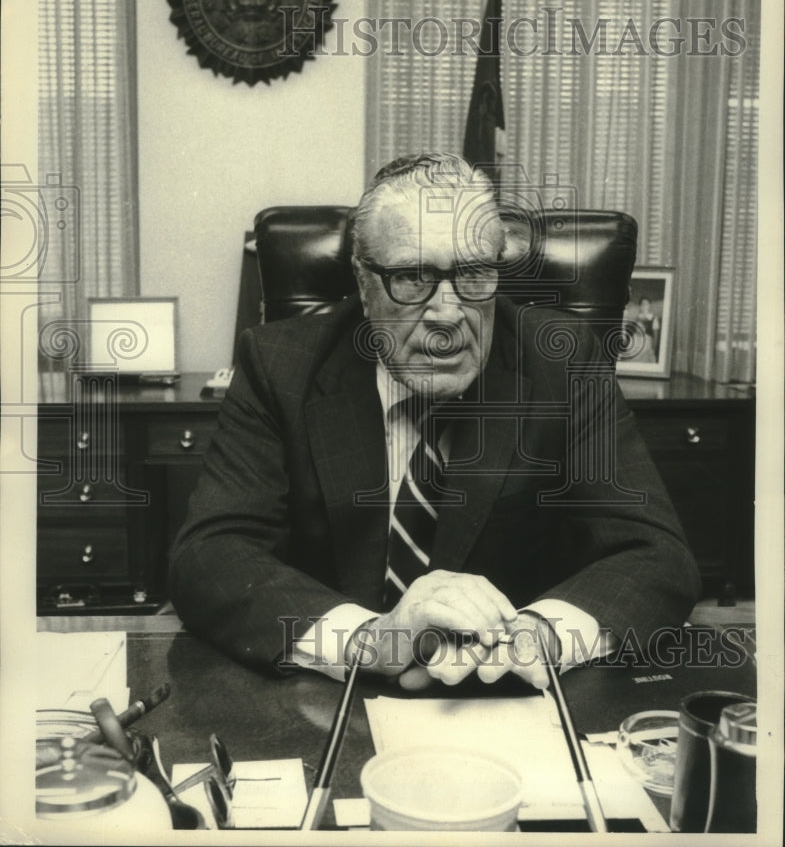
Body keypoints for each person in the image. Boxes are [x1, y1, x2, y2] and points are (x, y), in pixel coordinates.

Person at [169, 153, 700, 691]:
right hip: (334, 692)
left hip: (507, 696)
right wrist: (371, 640)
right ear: (363, 279)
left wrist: (540, 635)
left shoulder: (564, 364)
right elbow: (209, 555)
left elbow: (657, 555)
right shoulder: (278, 364)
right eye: (412, 276)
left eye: (473, 272)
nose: (447, 313)